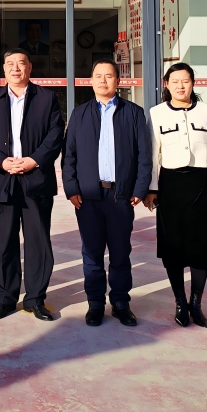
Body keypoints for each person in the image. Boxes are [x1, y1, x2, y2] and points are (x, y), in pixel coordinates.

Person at [0, 49, 65, 321]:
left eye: (21, 63)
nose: (16, 68)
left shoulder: (46, 98)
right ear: (4, 69)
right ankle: (5, 297)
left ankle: (35, 299)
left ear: (30, 67)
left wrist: (34, 160)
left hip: (35, 179)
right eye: (10, 64)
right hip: (1, 180)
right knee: (4, 242)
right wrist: (1, 162)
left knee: (38, 242)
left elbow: (55, 134)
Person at [63, 60, 152, 327]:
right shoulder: (79, 114)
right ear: (90, 81)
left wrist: (139, 189)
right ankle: (95, 303)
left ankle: (121, 302)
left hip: (120, 196)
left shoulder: (133, 113)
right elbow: (69, 156)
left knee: (120, 253)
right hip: (88, 197)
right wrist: (71, 188)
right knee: (91, 253)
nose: (103, 81)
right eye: (98, 76)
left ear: (118, 80)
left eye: (109, 76)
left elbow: (144, 156)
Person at [144, 62, 207, 328]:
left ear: (193, 83)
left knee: (201, 246)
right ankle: (180, 302)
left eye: (186, 81)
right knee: (173, 248)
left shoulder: (206, 111)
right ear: (166, 84)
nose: (181, 86)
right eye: (175, 81)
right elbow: (152, 155)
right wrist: (151, 189)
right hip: (170, 186)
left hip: (202, 184)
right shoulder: (156, 113)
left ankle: (196, 303)